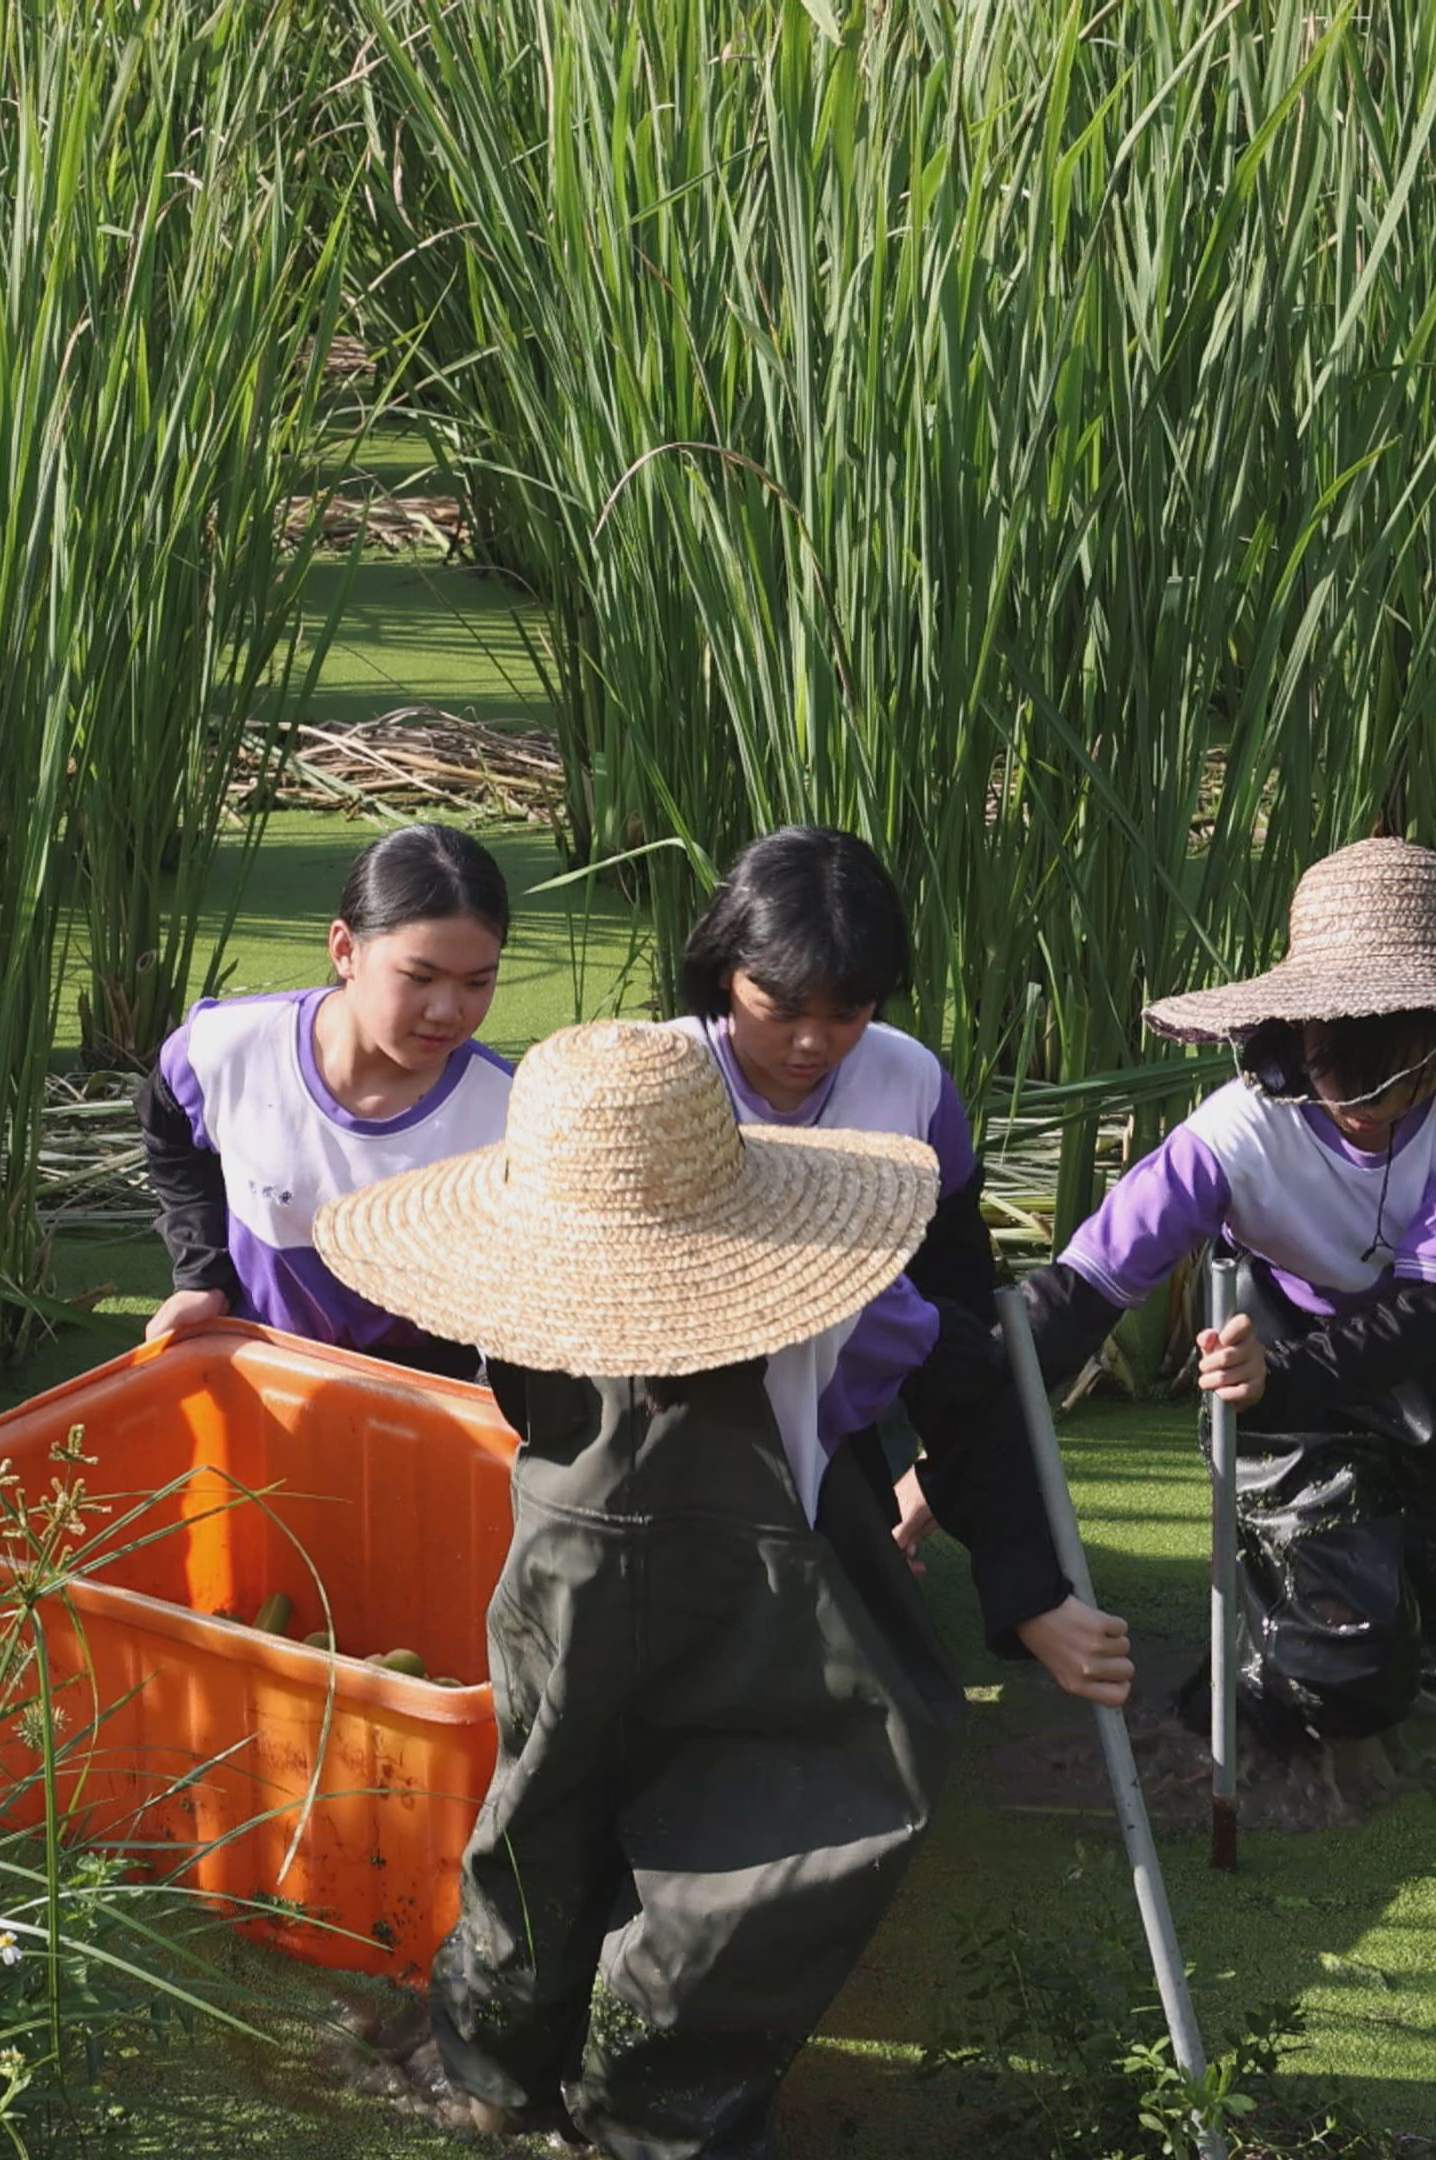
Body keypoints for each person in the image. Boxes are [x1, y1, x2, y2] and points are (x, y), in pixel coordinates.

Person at [312, 1022, 1134, 2159]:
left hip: (563, 1575)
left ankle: (489, 2074)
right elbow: (935, 1383)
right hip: (728, 1583)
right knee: (763, 1844)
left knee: (543, 1814)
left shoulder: (509, 1277)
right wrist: (1013, 1563)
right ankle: (645, 2112)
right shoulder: (846, 1303)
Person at [1013, 836, 1436, 1780]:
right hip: (1274, 1330)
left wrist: (1296, 1379)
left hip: (1431, 1319)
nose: (1375, 1110)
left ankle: (1433, 1668)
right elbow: (1081, 1292)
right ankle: (1307, 1680)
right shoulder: (1233, 1135)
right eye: (1342, 1081)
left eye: (1405, 1082)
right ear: (1291, 1042)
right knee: (1342, 1645)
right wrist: (947, 1455)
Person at [663, 827, 1084, 1670]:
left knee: (866, 1645)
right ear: (723, 973)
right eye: (781, 1011)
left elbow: (953, 1315)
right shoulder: (660, 1078)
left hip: (847, 1381)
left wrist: (1026, 1583)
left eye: (847, 1014)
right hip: (685, 1417)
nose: (812, 1044)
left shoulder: (912, 1082)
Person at [135, 824, 516, 1377]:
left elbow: (515, 1310)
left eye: (477, 983)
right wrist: (203, 1276)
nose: (447, 1010)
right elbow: (168, 1126)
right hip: (263, 1378)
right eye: (420, 976)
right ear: (345, 949)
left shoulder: (509, 1116)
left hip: (426, 1407)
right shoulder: (228, 1052)